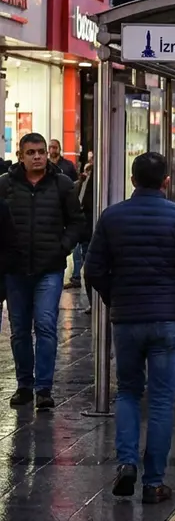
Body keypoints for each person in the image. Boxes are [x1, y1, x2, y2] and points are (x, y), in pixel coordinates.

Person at [85, 152, 175, 505]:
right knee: (160, 400)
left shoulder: (112, 217)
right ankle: (154, 480)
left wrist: (117, 297)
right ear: (166, 182)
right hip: (170, 320)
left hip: (127, 320)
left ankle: (127, 462)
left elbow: (93, 270)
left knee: (128, 392)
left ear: (132, 181)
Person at [0, 133, 86, 409]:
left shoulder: (61, 184)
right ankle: (25, 384)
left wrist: (62, 247)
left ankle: (44, 389)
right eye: (31, 152)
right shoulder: (5, 185)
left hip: (49, 267)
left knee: (47, 325)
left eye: (41, 152)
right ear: (21, 156)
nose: (38, 156)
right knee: (20, 329)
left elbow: (76, 222)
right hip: (15, 269)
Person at [66, 160, 96, 293]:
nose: (86, 173)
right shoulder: (80, 184)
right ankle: (76, 277)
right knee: (78, 253)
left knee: (83, 254)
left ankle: (77, 277)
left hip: (88, 225)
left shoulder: (92, 185)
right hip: (82, 226)